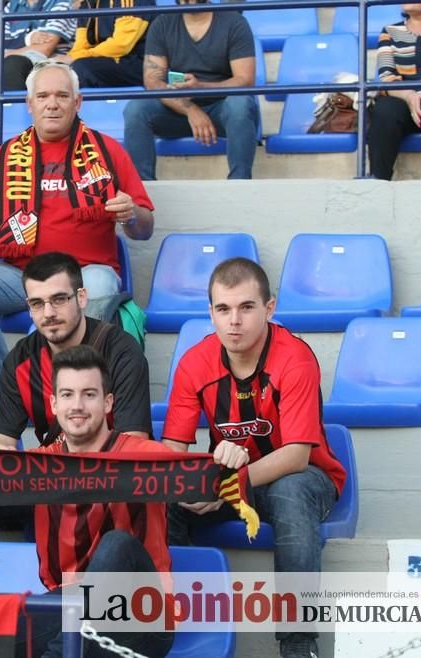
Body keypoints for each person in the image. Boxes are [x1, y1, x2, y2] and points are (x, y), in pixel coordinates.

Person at [161, 257, 346, 658]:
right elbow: (173, 452)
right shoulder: (194, 363)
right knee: (163, 503)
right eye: (223, 309)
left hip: (305, 478)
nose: (234, 322)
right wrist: (192, 483)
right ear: (210, 312)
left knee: (291, 493)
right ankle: (178, 628)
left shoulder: (294, 358)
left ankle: (298, 645)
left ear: (270, 307)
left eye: (246, 307)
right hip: (231, 483)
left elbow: (297, 456)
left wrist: (225, 483)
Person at [0, 60, 154, 385]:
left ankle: (78, 387)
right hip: (20, 273)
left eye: (62, 96)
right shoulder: (8, 154)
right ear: (30, 104)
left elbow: (145, 227)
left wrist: (132, 214)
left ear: (77, 102)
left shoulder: (108, 151)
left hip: (86, 272)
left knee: (99, 288)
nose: (52, 104)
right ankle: (1, 385)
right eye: (43, 96)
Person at [13, 345, 173, 658]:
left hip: (142, 614)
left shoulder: (142, 455)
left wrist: (227, 461)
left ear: (108, 402)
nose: (78, 405)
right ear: (54, 404)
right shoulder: (37, 464)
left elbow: (202, 475)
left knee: (116, 545)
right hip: (67, 605)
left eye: (89, 394)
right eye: (68, 395)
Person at [0, 252, 151, 451]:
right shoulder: (19, 360)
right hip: (54, 475)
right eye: (37, 303)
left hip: (113, 475)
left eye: (59, 299)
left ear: (82, 298)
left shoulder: (122, 351)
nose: (48, 313)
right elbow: (1, 440)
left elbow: (134, 443)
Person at [122, 0, 260, 180]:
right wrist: (190, 109)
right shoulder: (163, 23)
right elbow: (152, 80)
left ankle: (240, 184)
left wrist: (201, 87)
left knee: (240, 104)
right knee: (136, 109)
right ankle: (143, 193)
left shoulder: (234, 22)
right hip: (179, 110)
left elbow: (245, 80)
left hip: (222, 109)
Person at [367, 1, 421, 180]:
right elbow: (387, 77)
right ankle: (377, 183)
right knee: (384, 111)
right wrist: (409, 95)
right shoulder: (390, 31)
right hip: (404, 97)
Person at [0, 0, 76, 95]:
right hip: (16, 61)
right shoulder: (12, 6)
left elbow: (44, 50)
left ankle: (11, 117)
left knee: (12, 63)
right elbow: (5, 44)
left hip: (52, 64)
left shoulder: (62, 3)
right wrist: (27, 39)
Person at [53, 0, 155, 89]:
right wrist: (67, 59)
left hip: (140, 64)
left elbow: (121, 45)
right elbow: (81, 44)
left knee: (80, 69)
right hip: (105, 61)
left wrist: (74, 58)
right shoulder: (88, 3)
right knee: (53, 68)